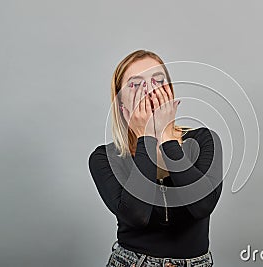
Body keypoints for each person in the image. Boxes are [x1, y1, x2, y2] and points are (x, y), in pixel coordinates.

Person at [88, 49, 223, 267]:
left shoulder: (203, 140)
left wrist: (168, 137)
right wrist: (146, 137)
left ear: (170, 92)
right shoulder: (105, 158)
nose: (148, 90)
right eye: (135, 84)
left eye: (157, 81)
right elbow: (136, 216)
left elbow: (202, 206)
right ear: (121, 106)